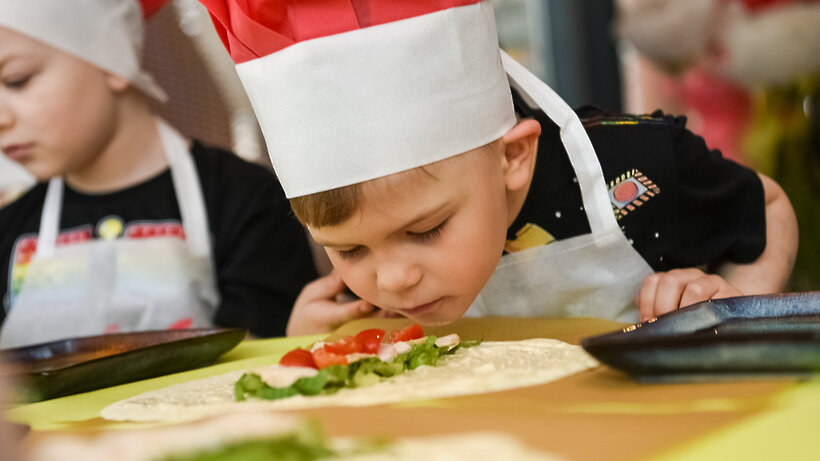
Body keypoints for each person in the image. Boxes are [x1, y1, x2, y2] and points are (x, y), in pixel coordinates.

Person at [197, 0, 798, 334]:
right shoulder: (379, 287)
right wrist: (313, 337)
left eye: (427, 230)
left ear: (513, 157)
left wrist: (738, 306)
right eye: (348, 251)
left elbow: (767, 207)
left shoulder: (636, 166)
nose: (393, 280)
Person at [0, 0, 320, 348]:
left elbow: (274, 364)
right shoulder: (8, 226)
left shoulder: (245, 199)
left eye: (16, 81)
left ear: (112, 58)